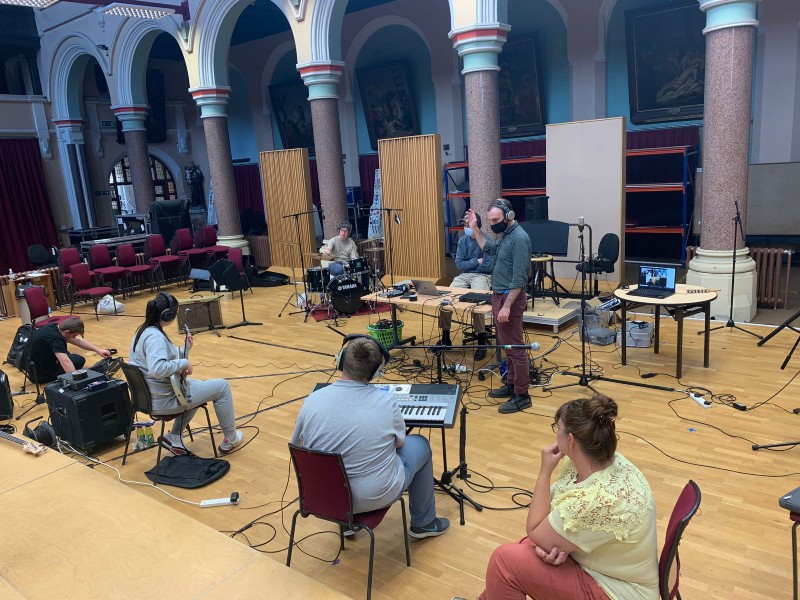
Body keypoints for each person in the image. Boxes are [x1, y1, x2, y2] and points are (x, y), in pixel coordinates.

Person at [462, 394, 658, 600]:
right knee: (525, 548)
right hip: (610, 566)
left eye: (557, 429)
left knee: (504, 561)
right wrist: (555, 546)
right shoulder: (613, 463)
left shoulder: (595, 499)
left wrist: (544, 472)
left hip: (620, 590)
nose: (555, 436)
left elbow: (536, 529)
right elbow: (556, 518)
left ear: (570, 440)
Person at [291, 335, 450, 539]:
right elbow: (400, 443)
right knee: (420, 444)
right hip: (374, 496)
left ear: (340, 360)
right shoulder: (386, 401)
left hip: (325, 496)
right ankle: (424, 523)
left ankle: (347, 525)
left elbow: (298, 447)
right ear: (376, 372)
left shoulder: (312, 400)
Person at [129, 292, 243, 456]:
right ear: (168, 315)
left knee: (198, 386)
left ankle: (174, 436)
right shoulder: (155, 337)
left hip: (152, 396)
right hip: (164, 400)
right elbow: (158, 368)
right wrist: (184, 362)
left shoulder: (144, 330)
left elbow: (162, 359)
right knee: (222, 387)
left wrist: (185, 350)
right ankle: (231, 438)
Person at [465, 200, 532, 413]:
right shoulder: (506, 236)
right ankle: (511, 384)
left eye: (495, 220)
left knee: (516, 349)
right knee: (507, 346)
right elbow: (490, 249)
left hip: (508, 299)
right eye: (490, 221)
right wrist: (475, 228)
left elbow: (520, 278)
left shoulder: (519, 238)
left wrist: (507, 306)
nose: (492, 224)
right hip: (499, 297)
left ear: (509, 215)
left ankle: (522, 395)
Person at [439, 213, 494, 360]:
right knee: (446, 299)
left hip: (482, 275)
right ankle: (445, 337)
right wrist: (476, 261)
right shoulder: (463, 241)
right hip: (465, 275)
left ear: (477, 225)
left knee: (477, 303)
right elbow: (459, 265)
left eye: (468, 224)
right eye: (465, 224)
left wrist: (472, 264)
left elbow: (489, 265)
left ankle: (481, 343)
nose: (466, 227)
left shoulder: (487, 240)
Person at [26, 317, 110, 384]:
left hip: (31, 367)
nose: (74, 338)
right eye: (73, 335)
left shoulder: (54, 327)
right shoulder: (56, 340)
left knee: (69, 355)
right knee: (79, 360)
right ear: (67, 332)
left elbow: (77, 340)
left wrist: (98, 350)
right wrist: (77, 382)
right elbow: (65, 361)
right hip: (40, 375)